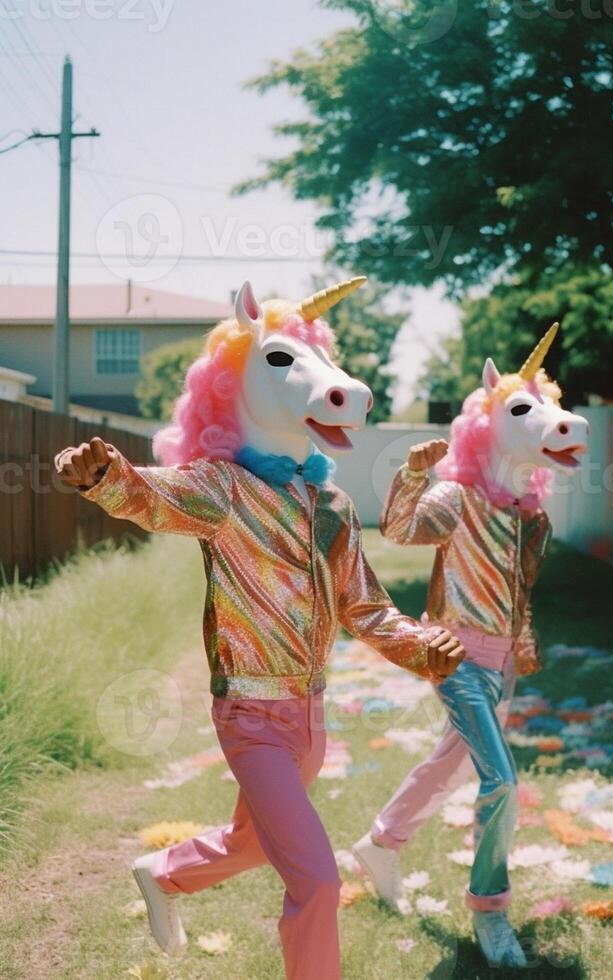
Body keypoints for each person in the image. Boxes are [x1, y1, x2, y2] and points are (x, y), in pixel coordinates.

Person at [55, 278, 465, 980]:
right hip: (250, 714)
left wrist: (420, 647)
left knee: (252, 844)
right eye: (281, 361)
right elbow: (150, 495)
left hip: (310, 717)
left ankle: (164, 873)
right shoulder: (220, 488)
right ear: (231, 386)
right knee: (318, 880)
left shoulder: (329, 501)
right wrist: (103, 477)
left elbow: (365, 606)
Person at [354, 324, 590, 968]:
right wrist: (410, 474)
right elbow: (401, 528)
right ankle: (491, 911)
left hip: (502, 662)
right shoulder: (455, 497)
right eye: (521, 410)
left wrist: (525, 637)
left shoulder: (529, 519)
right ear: (487, 426)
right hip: (453, 655)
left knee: (452, 764)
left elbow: (519, 590)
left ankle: (382, 842)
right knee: (502, 781)